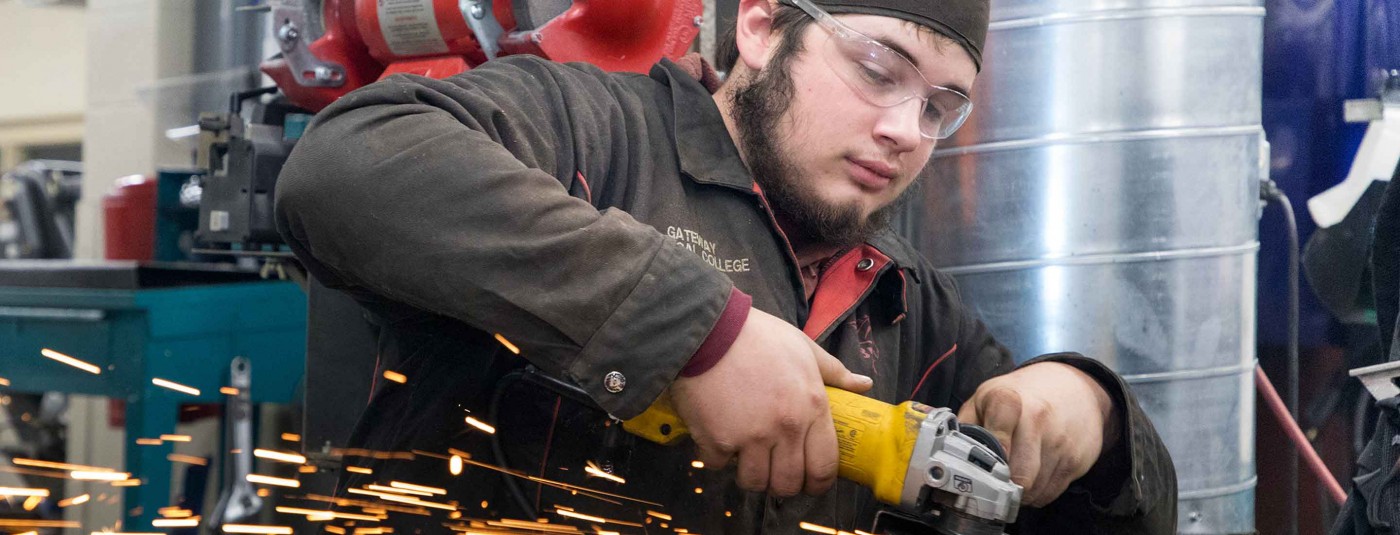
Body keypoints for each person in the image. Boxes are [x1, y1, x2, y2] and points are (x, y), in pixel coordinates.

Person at [274, 0, 1178, 532]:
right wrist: (693, 330)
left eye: (942, 106)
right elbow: (347, 163)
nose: (906, 129)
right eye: (877, 66)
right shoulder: (595, 135)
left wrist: (1088, 409)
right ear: (760, 23)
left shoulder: (909, 306)